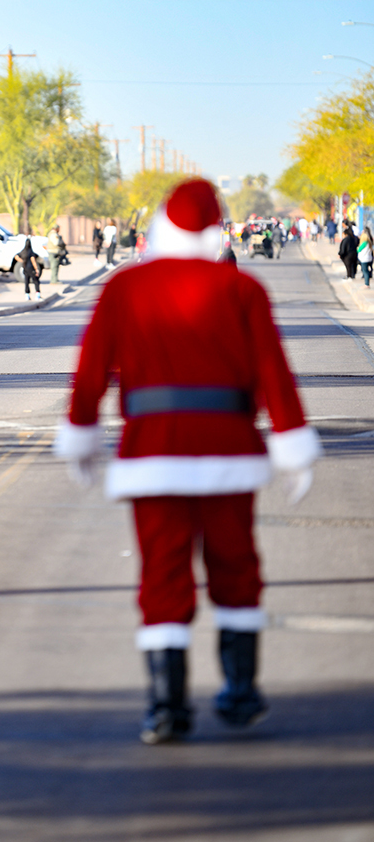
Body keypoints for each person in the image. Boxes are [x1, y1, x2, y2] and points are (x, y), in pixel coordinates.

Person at [53, 179, 321, 746]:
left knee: (162, 572)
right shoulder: (241, 288)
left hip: (152, 450)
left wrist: (80, 435)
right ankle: (241, 692)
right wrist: (293, 442)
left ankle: (167, 707)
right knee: (236, 566)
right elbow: (275, 371)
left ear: (161, 227)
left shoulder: (125, 287)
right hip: (230, 448)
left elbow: (91, 369)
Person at [15, 236, 43, 301]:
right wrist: (36, 269)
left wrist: (22, 261)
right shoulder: (31, 252)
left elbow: (16, 256)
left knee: (26, 282)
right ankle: (37, 295)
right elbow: (33, 260)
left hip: (25, 268)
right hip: (31, 268)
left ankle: (27, 295)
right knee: (36, 281)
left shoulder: (23, 251)